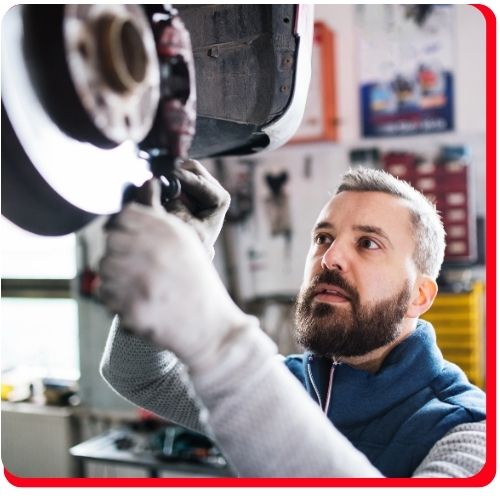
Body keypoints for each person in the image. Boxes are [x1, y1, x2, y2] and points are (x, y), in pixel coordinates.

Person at [99, 161, 486, 478]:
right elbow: (137, 375)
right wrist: (188, 255)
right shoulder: (294, 385)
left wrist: (218, 341)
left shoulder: (470, 431)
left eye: (368, 243)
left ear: (419, 296)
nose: (330, 258)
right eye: (322, 238)